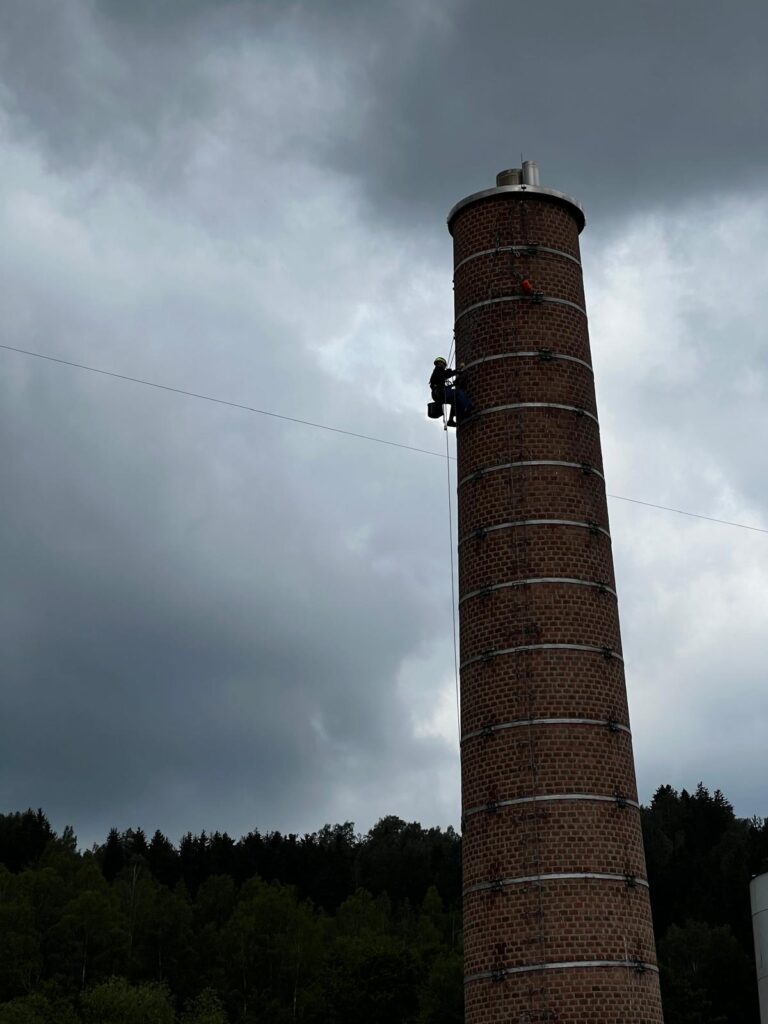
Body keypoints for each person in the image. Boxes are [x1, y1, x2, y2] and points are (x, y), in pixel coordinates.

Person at [430, 356, 457, 425]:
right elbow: (446, 375)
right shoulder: (438, 369)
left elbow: (441, 384)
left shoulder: (436, 373)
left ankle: (451, 420)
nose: (444, 367)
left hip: (437, 394)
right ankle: (468, 408)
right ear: (441, 363)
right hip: (439, 393)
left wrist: (452, 385)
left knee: (454, 401)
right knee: (457, 393)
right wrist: (456, 371)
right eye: (444, 365)